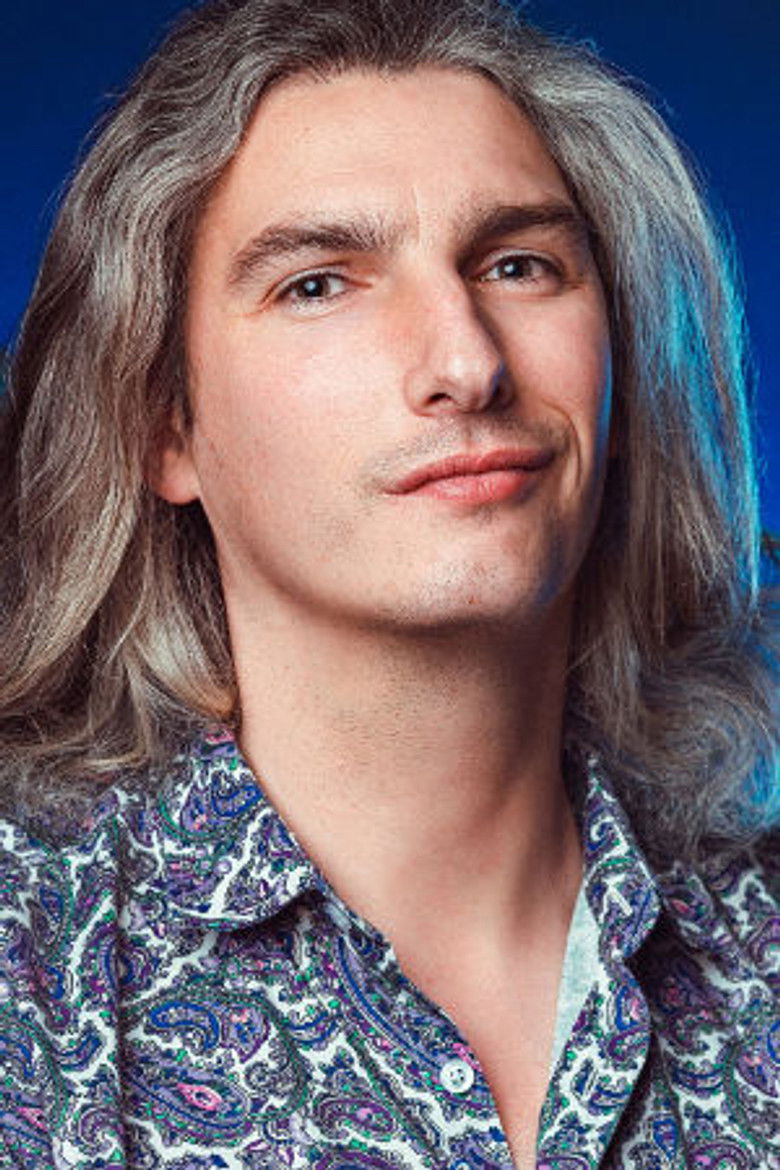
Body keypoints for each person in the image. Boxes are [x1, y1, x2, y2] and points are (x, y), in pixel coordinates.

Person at [0, 0, 778, 1166]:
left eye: (519, 265)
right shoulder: (28, 974)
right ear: (164, 424)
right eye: (319, 284)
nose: (467, 362)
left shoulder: (759, 950)